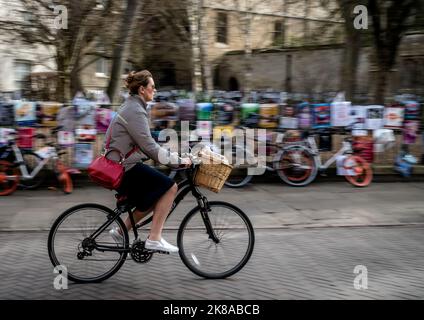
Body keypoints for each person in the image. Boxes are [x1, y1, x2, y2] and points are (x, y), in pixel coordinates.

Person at [106, 70, 191, 253]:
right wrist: (178, 162)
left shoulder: (134, 106)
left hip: (121, 164)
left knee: (156, 194)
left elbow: (145, 138)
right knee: (170, 187)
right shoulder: (135, 110)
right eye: (152, 86)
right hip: (123, 168)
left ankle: (121, 231)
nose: (155, 89)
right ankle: (154, 239)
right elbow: (149, 147)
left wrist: (171, 142)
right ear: (142, 89)